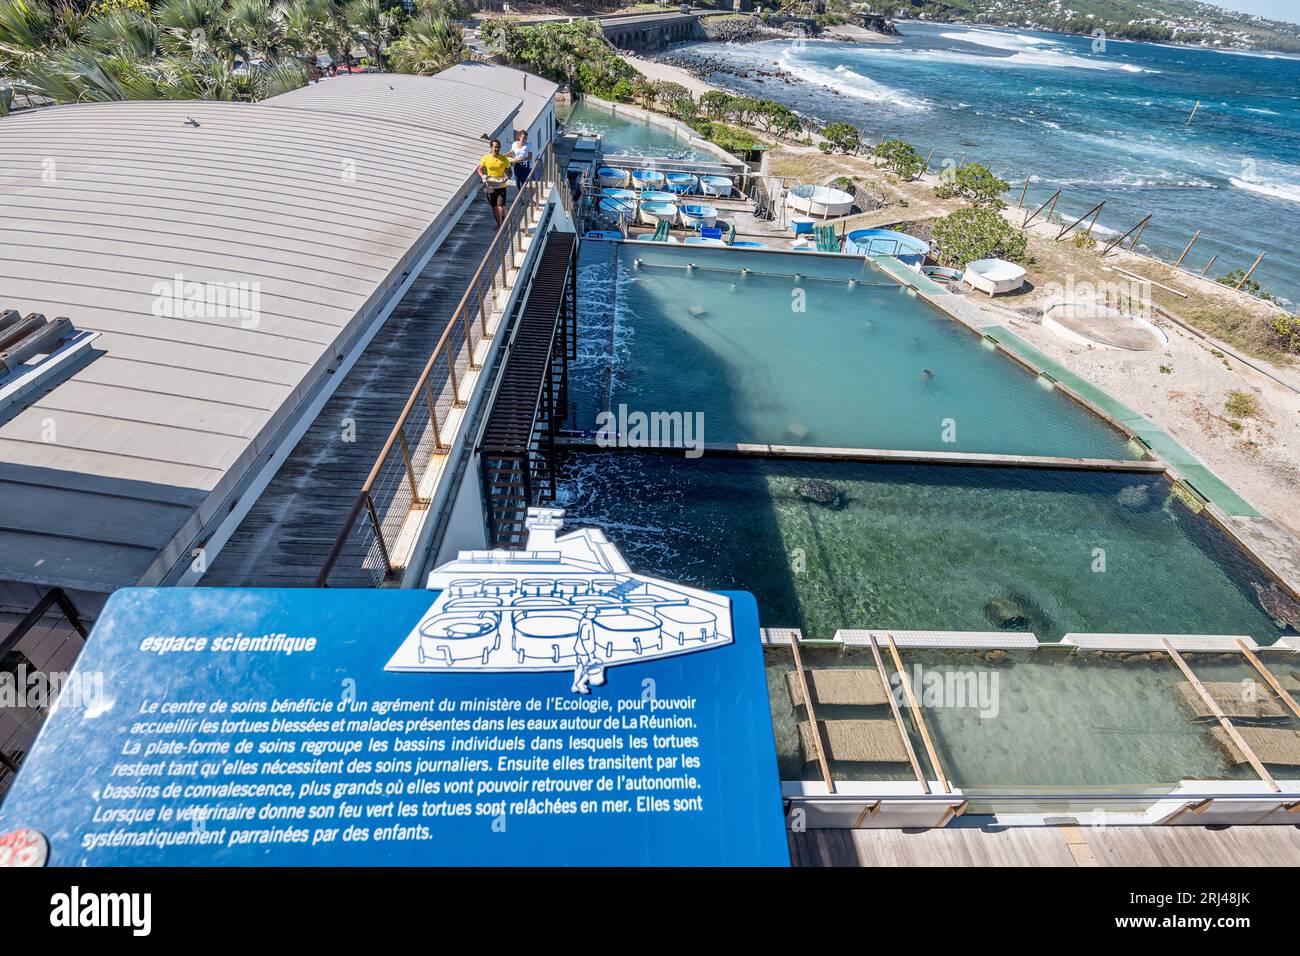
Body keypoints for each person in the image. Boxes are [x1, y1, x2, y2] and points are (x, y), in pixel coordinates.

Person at [478, 139, 512, 227]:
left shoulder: (504, 159)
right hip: (490, 185)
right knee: (494, 207)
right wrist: (483, 176)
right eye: (495, 147)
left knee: (501, 208)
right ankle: (498, 225)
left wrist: (507, 177)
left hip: (501, 185)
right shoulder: (486, 158)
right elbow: (480, 169)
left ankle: (504, 224)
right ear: (491, 147)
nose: (497, 149)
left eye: (499, 147)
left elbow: (510, 171)